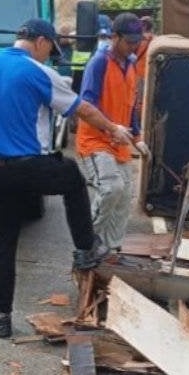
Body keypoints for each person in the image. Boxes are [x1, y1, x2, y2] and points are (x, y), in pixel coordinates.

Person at [0, 18, 132, 339]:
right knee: (72, 176)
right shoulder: (38, 72)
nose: (49, 56)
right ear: (41, 41)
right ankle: (86, 248)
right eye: (50, 49)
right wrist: (114, 130)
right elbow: (82, 109)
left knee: (1, 242)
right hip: (29, 166)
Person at [76, 13, 148, 253]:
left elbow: (131, 106)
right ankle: (87, 242)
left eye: (137, 41)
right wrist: (110, 128)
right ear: (114, 37)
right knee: (111, 188)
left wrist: (137, 138)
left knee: (124, 199)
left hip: (119, 143)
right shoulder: (99, 62)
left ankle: (111, 250)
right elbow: (86, 106)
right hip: (95, 140)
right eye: (129, 41)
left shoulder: (130, 64)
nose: (134, 46)